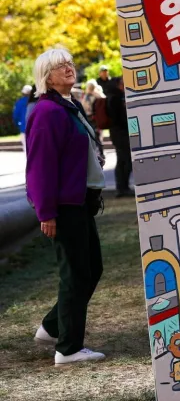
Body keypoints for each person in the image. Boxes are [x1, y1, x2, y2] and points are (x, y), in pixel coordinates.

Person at [26, 48, 107, 365]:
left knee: (92, 269)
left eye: (70, 63)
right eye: (60, 66)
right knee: (75, 275)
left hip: (81, 202)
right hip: (64, 205)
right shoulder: (47, 112)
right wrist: (46, 212)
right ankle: (68, 348)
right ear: (46, 76)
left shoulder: (68, 106)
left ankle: (51, 326)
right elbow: (40, 167)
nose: (69, 68)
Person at [105, 77, 133, 197]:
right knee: (125, 160)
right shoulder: (116, 98)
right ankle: (122, 187)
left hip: (117, 132)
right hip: (120, 132)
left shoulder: (113, 97)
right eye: (122, 83)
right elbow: (118, 117)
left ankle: (122, 187)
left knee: (122, 160)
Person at [12, 84, 31, 152]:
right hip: (35, 127)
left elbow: (15, 116)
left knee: (26, 148)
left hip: (24, 127)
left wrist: (18, 124)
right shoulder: (36, 102)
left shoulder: (19, 102)